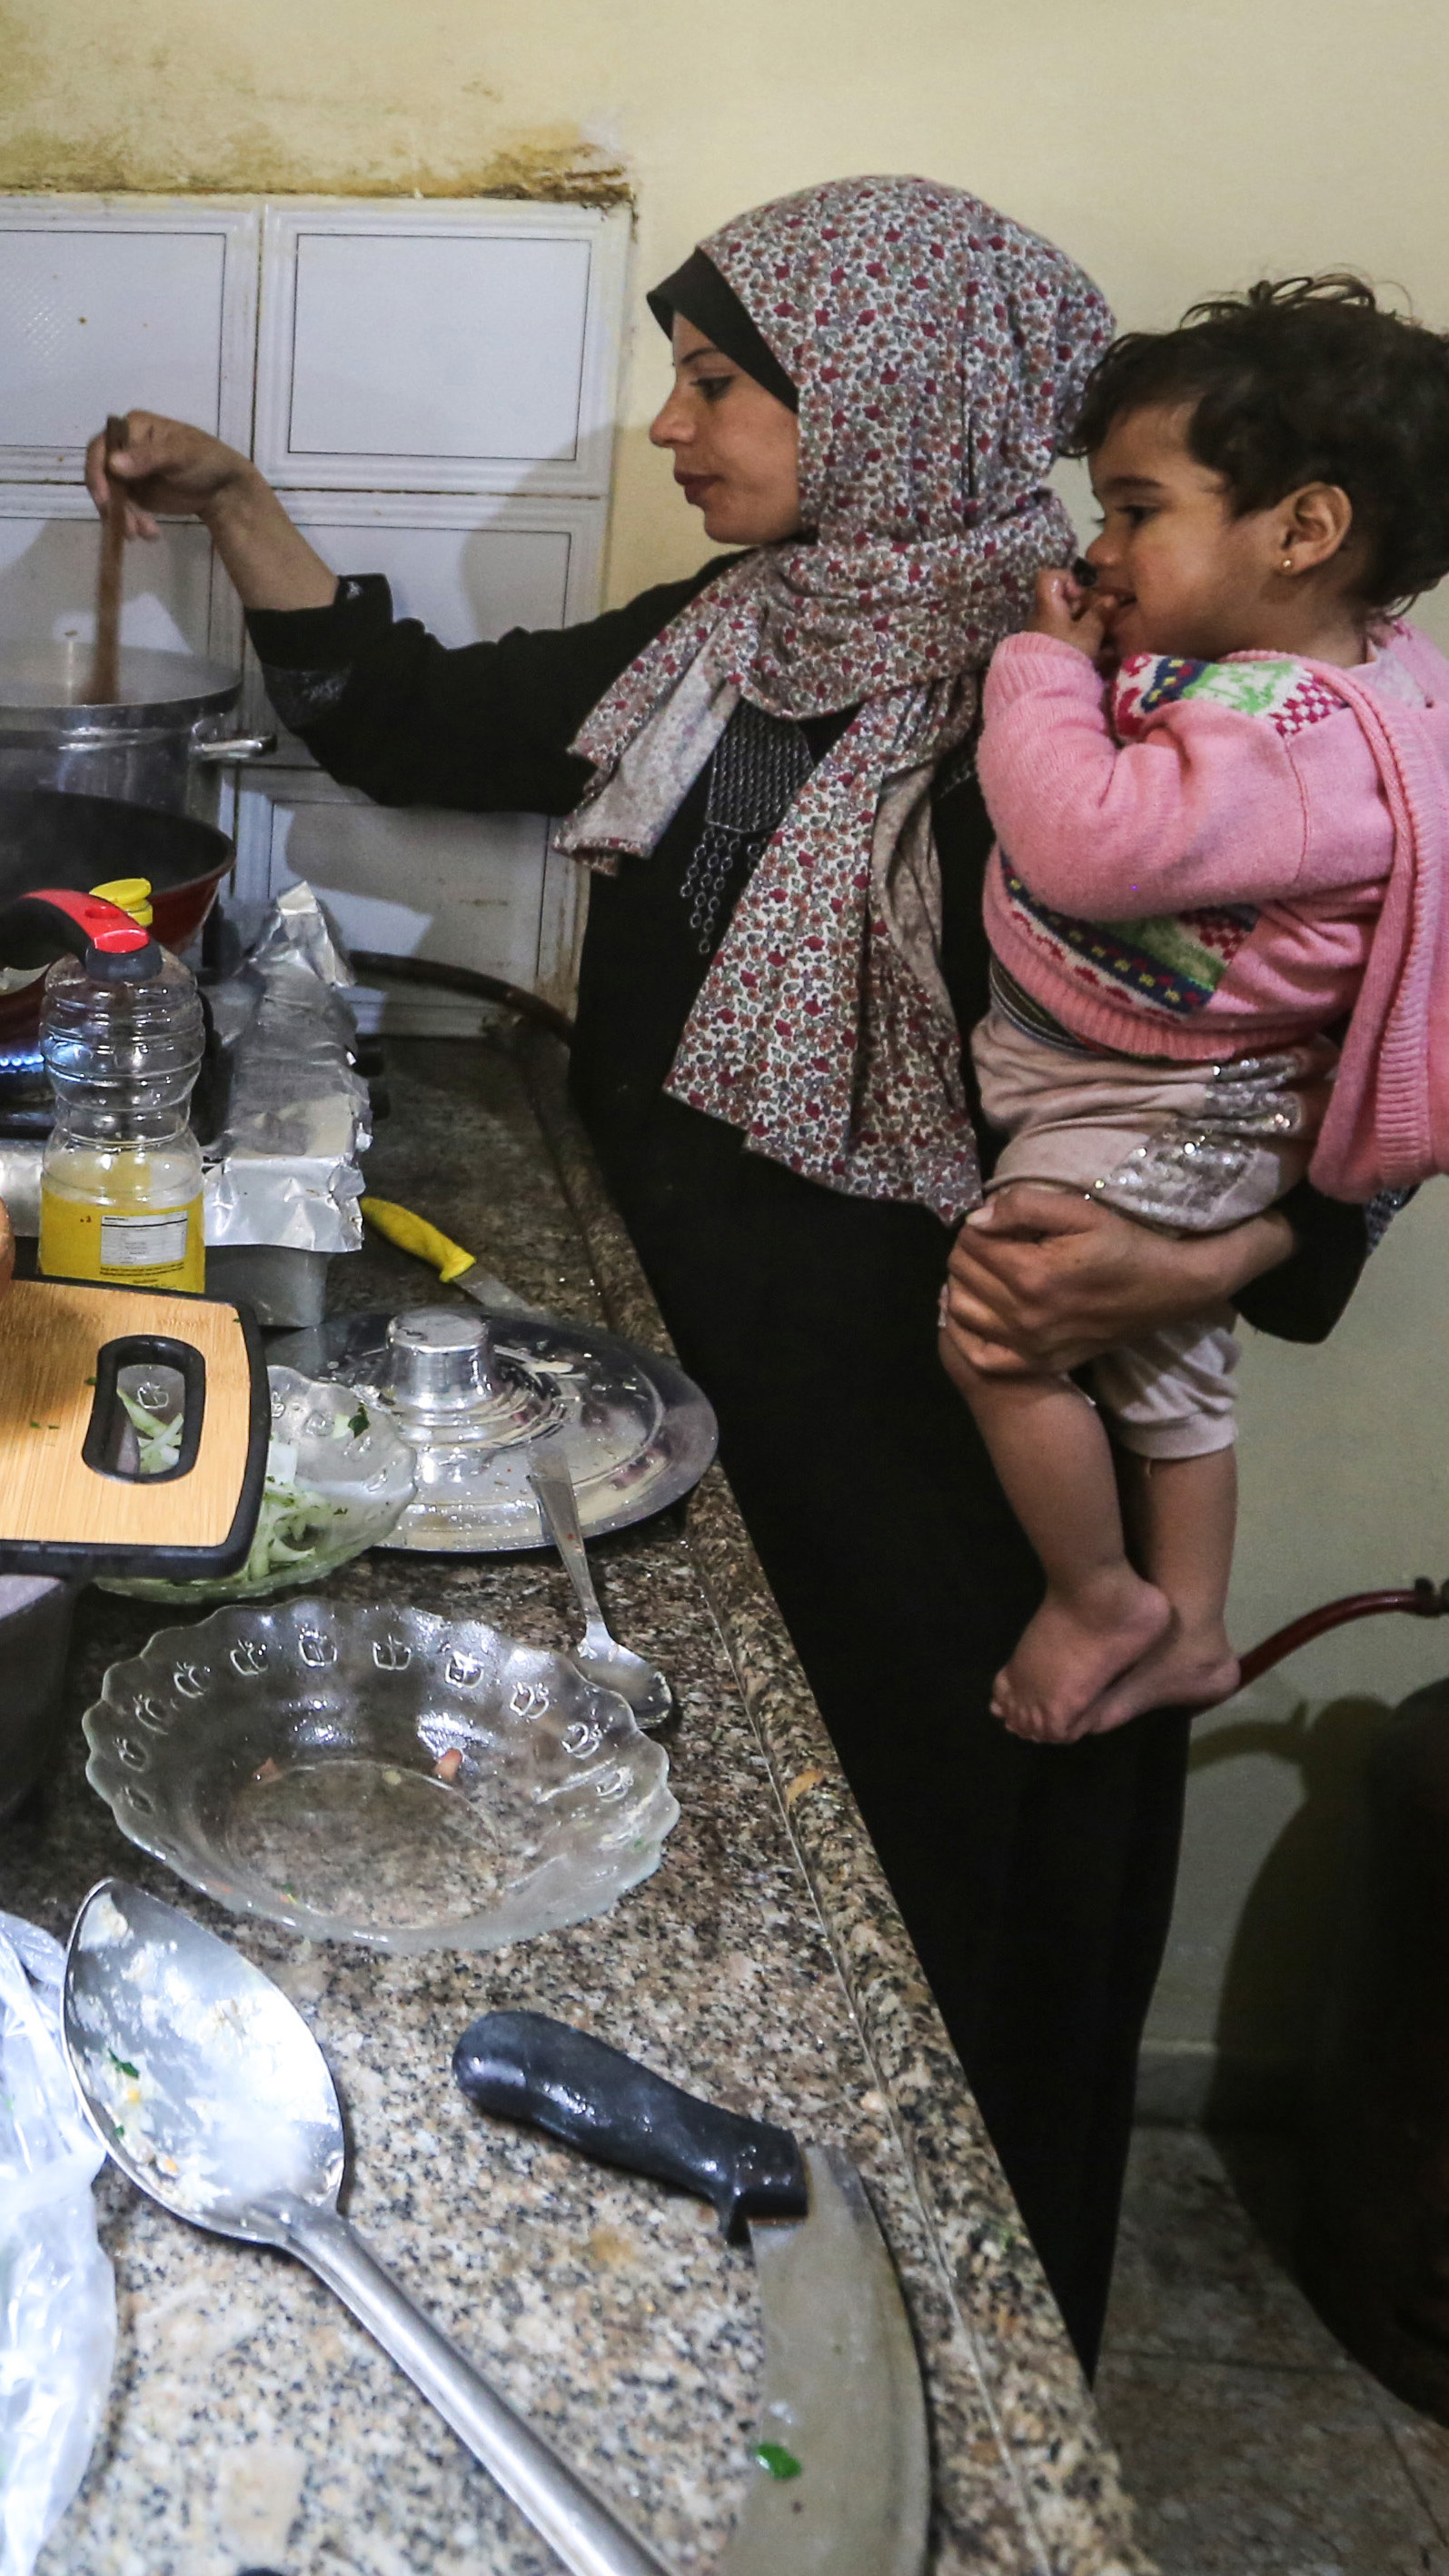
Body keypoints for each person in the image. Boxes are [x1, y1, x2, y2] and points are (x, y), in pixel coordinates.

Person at [87, 180, 1373, 2375]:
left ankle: (982, 2405)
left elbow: (1338, 1056)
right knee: (752, 1954)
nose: (674, 426)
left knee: (956, 1966)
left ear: (882, 396)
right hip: (707, 1391)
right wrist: (237, 503)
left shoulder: (1102, 694)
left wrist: (1231, 1242)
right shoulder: (737, 635)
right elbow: (429, 725)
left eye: (715, 383)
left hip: (960, 1458)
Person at [947, 277, 1449, 1749]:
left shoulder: (1293, 734)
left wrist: (1041, 670)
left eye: (1136, 510)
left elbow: (1089, 842)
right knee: (1167, 1368)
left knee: (999, 1326)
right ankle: (1197, 1628)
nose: (1099, 549)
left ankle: (1098, 1594)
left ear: (1304, 531)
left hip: (1176, 1096)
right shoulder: (1317, 678)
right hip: (1143, 1080)